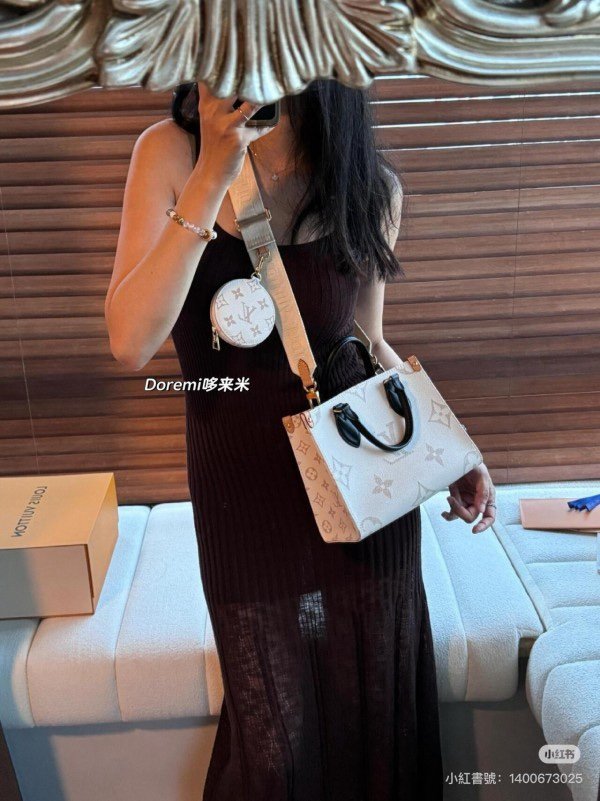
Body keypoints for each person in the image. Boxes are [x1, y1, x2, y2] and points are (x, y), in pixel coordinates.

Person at [105, 78, 497, 801]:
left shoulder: (364, 180)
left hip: (357, 490)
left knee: (374, 717)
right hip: (244, 497)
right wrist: (212, 174)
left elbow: (365, 341)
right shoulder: (171, 154)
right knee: (276, 749)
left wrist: (452, 450)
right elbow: (130, 341)